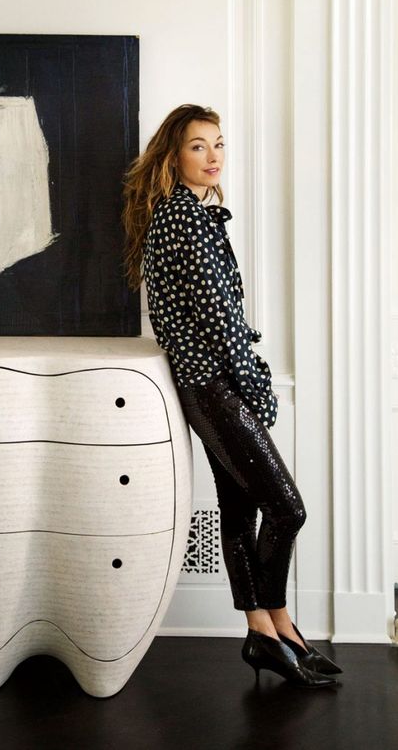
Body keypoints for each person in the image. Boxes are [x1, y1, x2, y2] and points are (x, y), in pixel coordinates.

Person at [122, 103, 342, 689]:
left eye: (219, 144)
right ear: (175, 156)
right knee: (288, 508)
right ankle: (273, 633)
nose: (214, 155)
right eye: (199, 146)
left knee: (241, 511)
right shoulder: (185, 220)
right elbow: (219, 320)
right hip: (214, 385)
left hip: (204, 384)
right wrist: (257, 387)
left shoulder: (182, 216)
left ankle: (271, 631)